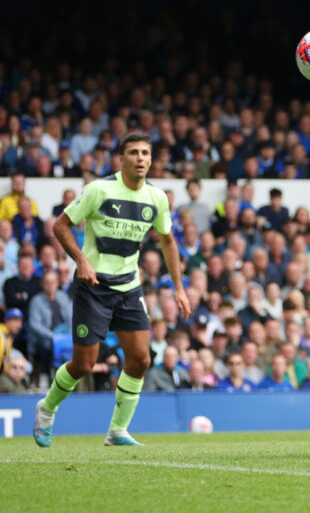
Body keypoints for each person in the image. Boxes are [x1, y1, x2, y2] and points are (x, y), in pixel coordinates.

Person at [34, 133, 192, 448]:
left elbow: (167, 240)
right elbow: (60, 226)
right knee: (83, 364)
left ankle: (117, 430)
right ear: (122, 158)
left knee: (141, 359)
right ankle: (46, 408)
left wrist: (178, 287)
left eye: (146, 153)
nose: (141, 158)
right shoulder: (99, 190)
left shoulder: (157, 198)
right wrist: (81, 260)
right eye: (134, 152)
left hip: (129, 287)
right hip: (93, 287)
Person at [27, 270, 73, 380]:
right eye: (47, 282)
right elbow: (34, 324)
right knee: (47, 345)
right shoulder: (36, 301)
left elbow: (71, 318)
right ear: (42, 284)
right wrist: (52, 335)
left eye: (52, 282)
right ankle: (46, 374)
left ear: (57, 283)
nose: (50, 285)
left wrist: (69, 334)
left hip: (64, 334)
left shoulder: (63, 297)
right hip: (46, 337)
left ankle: (69, 377)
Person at [0, 308, 24, 381]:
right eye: (15, 320)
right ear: (7, 320)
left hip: (0, 376)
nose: (19, 325)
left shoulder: (8, 338)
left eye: (20, 321)